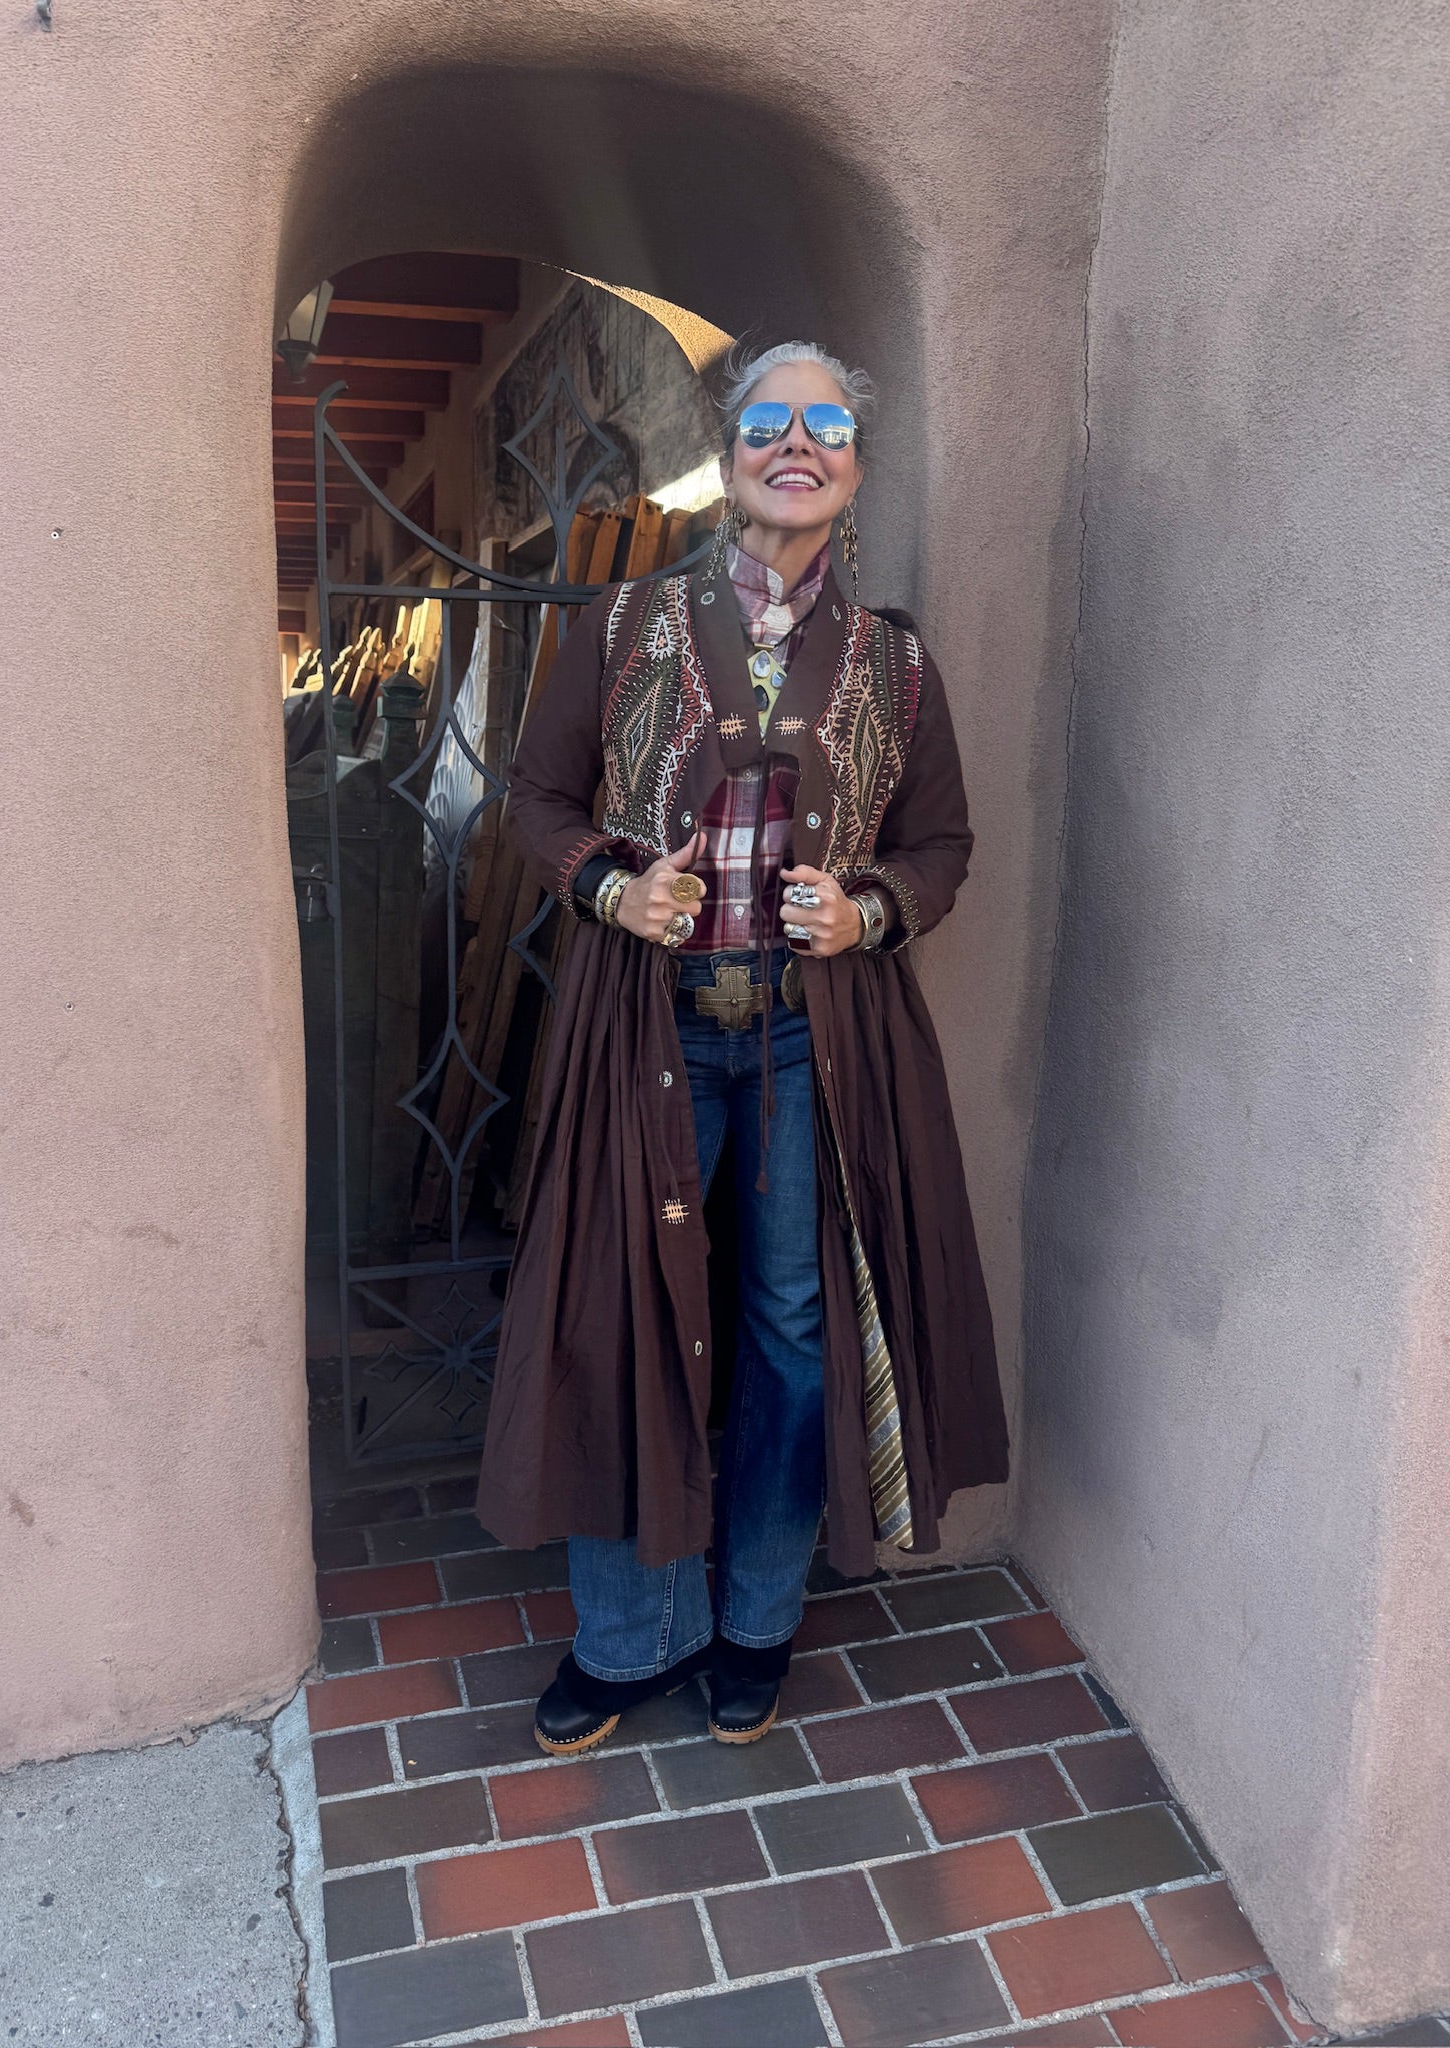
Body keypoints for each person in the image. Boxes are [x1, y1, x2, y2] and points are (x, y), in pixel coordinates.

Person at [474, 340, 1009, 1754]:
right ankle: (630, 1635)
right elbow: (536, 798)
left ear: (855, 469)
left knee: (791, 1326)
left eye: (826, 422)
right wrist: (613, 887)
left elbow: (941, 845)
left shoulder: (895, 666)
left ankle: (756, 1620)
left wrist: (869, 911)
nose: (796, 441)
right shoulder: (623, 622)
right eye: (768, 419)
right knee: (619, 1309)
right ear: (728, 459)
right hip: (644, 1023)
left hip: (807, 1040)